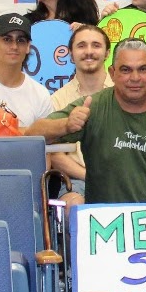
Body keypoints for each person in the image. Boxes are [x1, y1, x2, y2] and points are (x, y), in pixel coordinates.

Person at [28, 39, 146, 206]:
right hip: (104, 224)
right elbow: (32, 135)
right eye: (126, 70)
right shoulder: (94, 105)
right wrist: (66, 125)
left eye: (143, 69)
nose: (135, 77)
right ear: (112, 73)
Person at [43, 24, 111, 202]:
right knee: (72, 207)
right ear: (71, 55)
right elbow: (54, 154)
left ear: (107, 53)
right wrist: (90, 176)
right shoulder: (57, 99)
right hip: (78, 179)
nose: (89, 51)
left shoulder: (124, 92)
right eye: (81, 46)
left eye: (96, 45)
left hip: (124, 178)